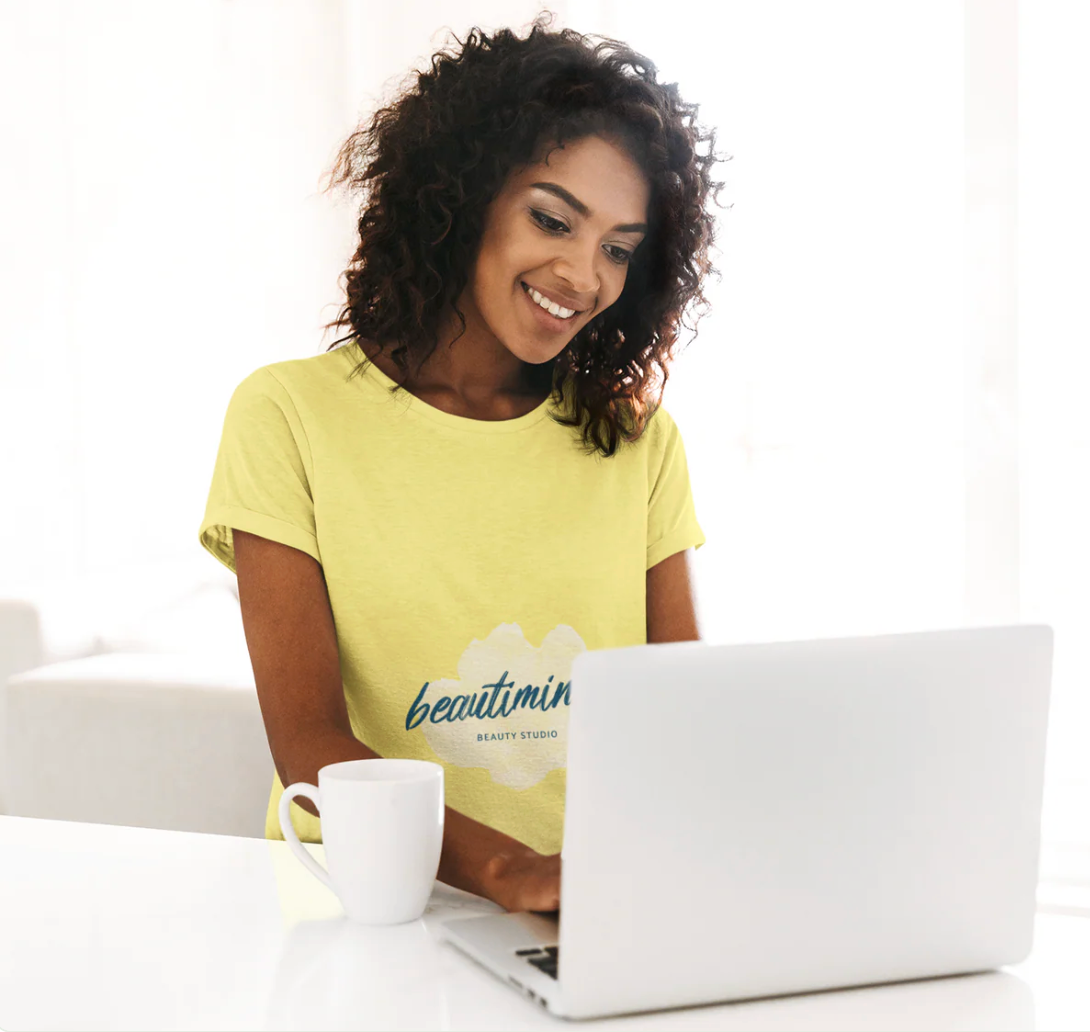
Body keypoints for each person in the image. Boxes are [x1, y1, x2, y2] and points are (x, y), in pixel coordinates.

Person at [199, 12, 727, 915]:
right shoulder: (288, 416)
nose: (583, 276)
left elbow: (684, 720)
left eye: (617, 249)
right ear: (460, 196)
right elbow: (310, 747)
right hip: (363, 906)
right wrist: (510, 872)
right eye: (551, 219)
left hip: (588, 909)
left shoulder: (635, 440)